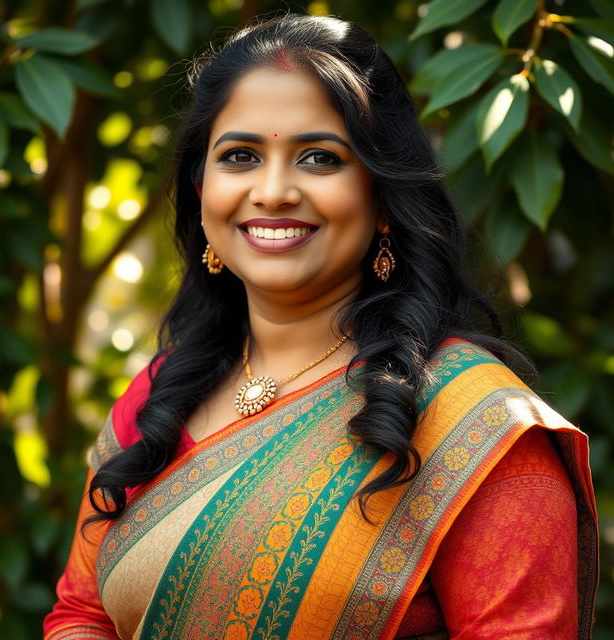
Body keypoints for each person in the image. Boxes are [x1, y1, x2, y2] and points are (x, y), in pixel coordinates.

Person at [43, 13, 598, 640]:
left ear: (382, 197)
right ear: (202, 190)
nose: (273, 191)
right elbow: (82, 613)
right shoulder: (159, 398)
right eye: (241, 156)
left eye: (318, 157)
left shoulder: (475, 425)